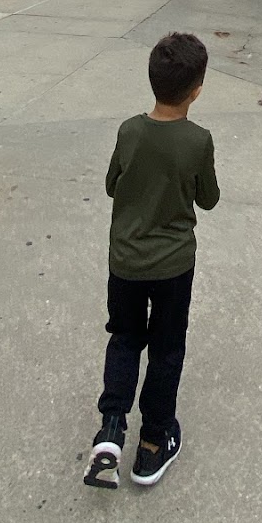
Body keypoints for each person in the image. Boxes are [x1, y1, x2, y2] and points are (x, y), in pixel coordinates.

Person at [84, 32, 220, 492]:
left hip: (124, 261)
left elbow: (110, 184)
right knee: (166, 349)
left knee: (123, 338)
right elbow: (210, 198)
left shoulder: (129, 130)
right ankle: (153, 442)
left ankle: (111, 428)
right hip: (173, 266)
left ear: (151, 80)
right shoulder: (198, 140)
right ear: (197, 88)